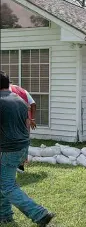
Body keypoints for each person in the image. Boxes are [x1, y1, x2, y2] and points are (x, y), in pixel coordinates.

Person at [0, 71, 55, 226]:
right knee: (4, 181)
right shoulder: (19, 99)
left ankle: (39, 213)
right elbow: (26, 123)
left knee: (7, 185)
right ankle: (5, 215)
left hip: (7, 150)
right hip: (22, 146)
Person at [9, 82, 37, 173]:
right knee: (24, 141)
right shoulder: (23, 91)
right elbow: (33, 104)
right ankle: (21, 166)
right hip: (26, 119)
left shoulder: (7, 90)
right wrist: (32, 118)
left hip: (13, 120)